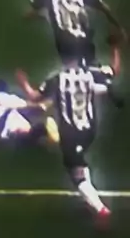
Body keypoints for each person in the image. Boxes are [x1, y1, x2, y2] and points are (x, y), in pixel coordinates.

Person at [16, 38, 122, 224]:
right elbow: (114, 70)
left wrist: (23, 82)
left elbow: (34, 97)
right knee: (79, 165)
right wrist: (115, 48)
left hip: (70, 135)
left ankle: (101, 210)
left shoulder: (57, 79)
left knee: (76, 175)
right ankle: (90, 200)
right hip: (89, 131)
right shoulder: (92, 74)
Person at [27, 0, 126, 68]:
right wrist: (119, 27)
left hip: (65, 42)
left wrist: (45, 17)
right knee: (91, 68)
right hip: (84, 39)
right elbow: (105, 8)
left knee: (72, 70)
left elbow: (28, 15)